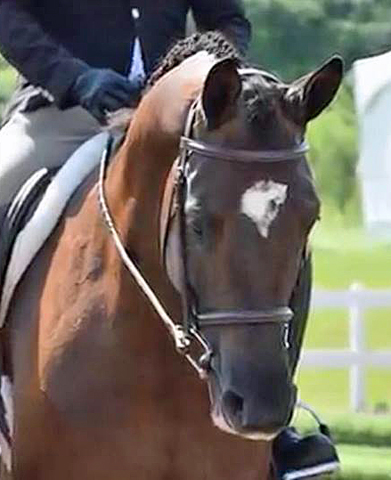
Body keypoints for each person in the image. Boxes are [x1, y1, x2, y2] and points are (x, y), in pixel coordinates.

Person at [0, 1, 338, 478]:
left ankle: (275, 424)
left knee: (278, 233)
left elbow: (228, 19)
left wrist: (216, 75)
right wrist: (73, 78)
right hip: (61, 114)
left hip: (175, 125)